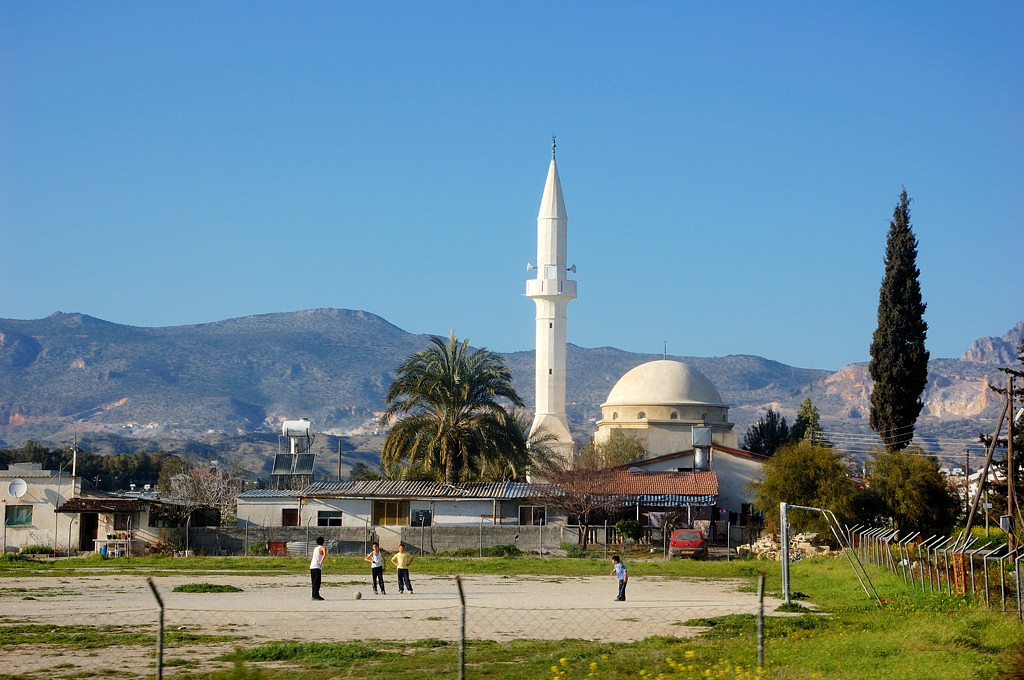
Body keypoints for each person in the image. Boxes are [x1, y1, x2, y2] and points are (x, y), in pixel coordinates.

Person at [310, 536, 326, 601]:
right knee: (317, 582)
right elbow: (325, 554)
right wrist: (321, 561)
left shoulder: (315, 548)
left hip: (312, 566)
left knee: (314, 582)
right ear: (323, 542)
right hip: (317, 566)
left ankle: (315, 594)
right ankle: (315, 595)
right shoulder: (322, 547)